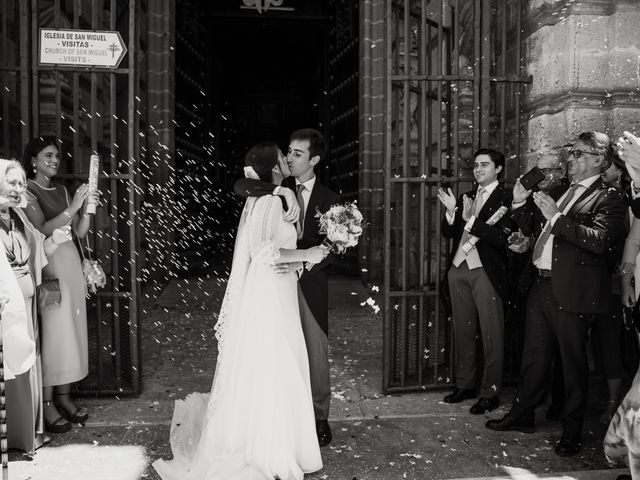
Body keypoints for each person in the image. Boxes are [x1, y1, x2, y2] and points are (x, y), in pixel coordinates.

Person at [153, 142, 326, 480]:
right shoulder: (270, 200)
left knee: (275, 363)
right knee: (275, 365)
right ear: (274, 167)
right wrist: (311, 254)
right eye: (282, 156)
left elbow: (274, 245)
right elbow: (265, 252)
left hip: (277, 289)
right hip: (270, 295)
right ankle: (269, 449)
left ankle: (277, 441)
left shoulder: (266, 196)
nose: (287, 159)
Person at [486, 131, 627, 457]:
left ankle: (572, 431)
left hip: (574, 291)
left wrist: (557, 217)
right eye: (571, 152)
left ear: (598, 159)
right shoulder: (561, 189)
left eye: (578, 153)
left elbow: (599, 241)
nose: (570, 158)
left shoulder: (610, 197)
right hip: (540, 284)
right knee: (533, 356)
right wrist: (524, 227)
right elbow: (537, 227)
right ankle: (522, 415)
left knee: (572, 365)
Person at [233, 128, 341, 447]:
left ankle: (320, 418)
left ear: (315, 159)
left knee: (315, 352)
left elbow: (333, 245)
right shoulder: (276, 187)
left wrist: (305, 262)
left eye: (297, 153)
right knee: (282, 351)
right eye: (289, 152)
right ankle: (287, 417)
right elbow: (242, 185)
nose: (290, 158)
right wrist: (284, 192)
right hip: (276, 284)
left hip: (309, 282)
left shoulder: (331, 199)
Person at [21, 137, 99, 433]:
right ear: (33, 160)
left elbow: (78, 230)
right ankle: (48, 404)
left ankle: (65, 397)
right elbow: (42, 229)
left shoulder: (64, 190)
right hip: (49, 266)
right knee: (54, 335)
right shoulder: (27, 190)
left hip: (71, 266)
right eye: (48, 155)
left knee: (73, 332)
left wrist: (88, 208)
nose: (54, 160)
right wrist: (74, 206)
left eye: (56, 156)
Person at [0, 159, 71, 452]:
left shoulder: (20, 219)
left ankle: (25, 434)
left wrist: (53, 240)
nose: (18, 190)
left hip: (27, 308)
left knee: (28, 366)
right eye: (11, 183)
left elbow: (38, 254)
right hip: (4, 309)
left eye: (20, 184)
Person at [437, 148, 514, 414]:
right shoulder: (466, 196)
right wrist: (450, 212)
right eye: (476, 165)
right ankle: (465, 384)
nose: (478, 170)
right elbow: (449, 233)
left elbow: (502, 239)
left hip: (486, 271)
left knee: (492, 333)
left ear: (498, 169)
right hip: (458, 269)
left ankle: (490, 392)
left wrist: (472, 220)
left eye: (485, 165)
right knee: (463, 330)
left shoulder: (507, 198)